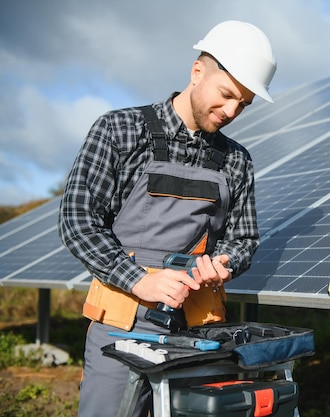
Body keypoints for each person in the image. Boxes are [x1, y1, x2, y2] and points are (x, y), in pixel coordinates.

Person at [58, 20, 276, 417]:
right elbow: (78, 221)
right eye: (226, 95)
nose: (231, 112)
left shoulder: (237, 160)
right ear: (197, 72)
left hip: (199, 331)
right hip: (122, 324)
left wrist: (223, 264)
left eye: (243, 104)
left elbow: (242, 240)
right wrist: (141, 281)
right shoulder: (120, 130)